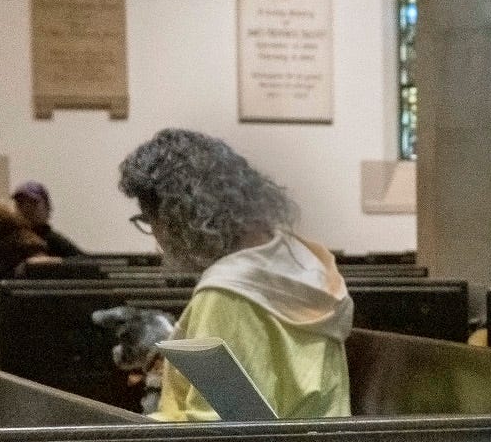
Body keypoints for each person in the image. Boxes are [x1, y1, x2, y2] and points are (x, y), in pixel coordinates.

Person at [117, 128, 353, 421]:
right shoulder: (304, 260)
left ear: (175, 216)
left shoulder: (227, 292)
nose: (156, 238)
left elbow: (216, 426)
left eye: (149, 220)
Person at [10, 181, 84, 258]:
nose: (26, 208)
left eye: (33, 202)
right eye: (20, 203)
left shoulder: (55, 242)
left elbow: (86, 263)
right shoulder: (10, 242)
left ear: (47, 208)